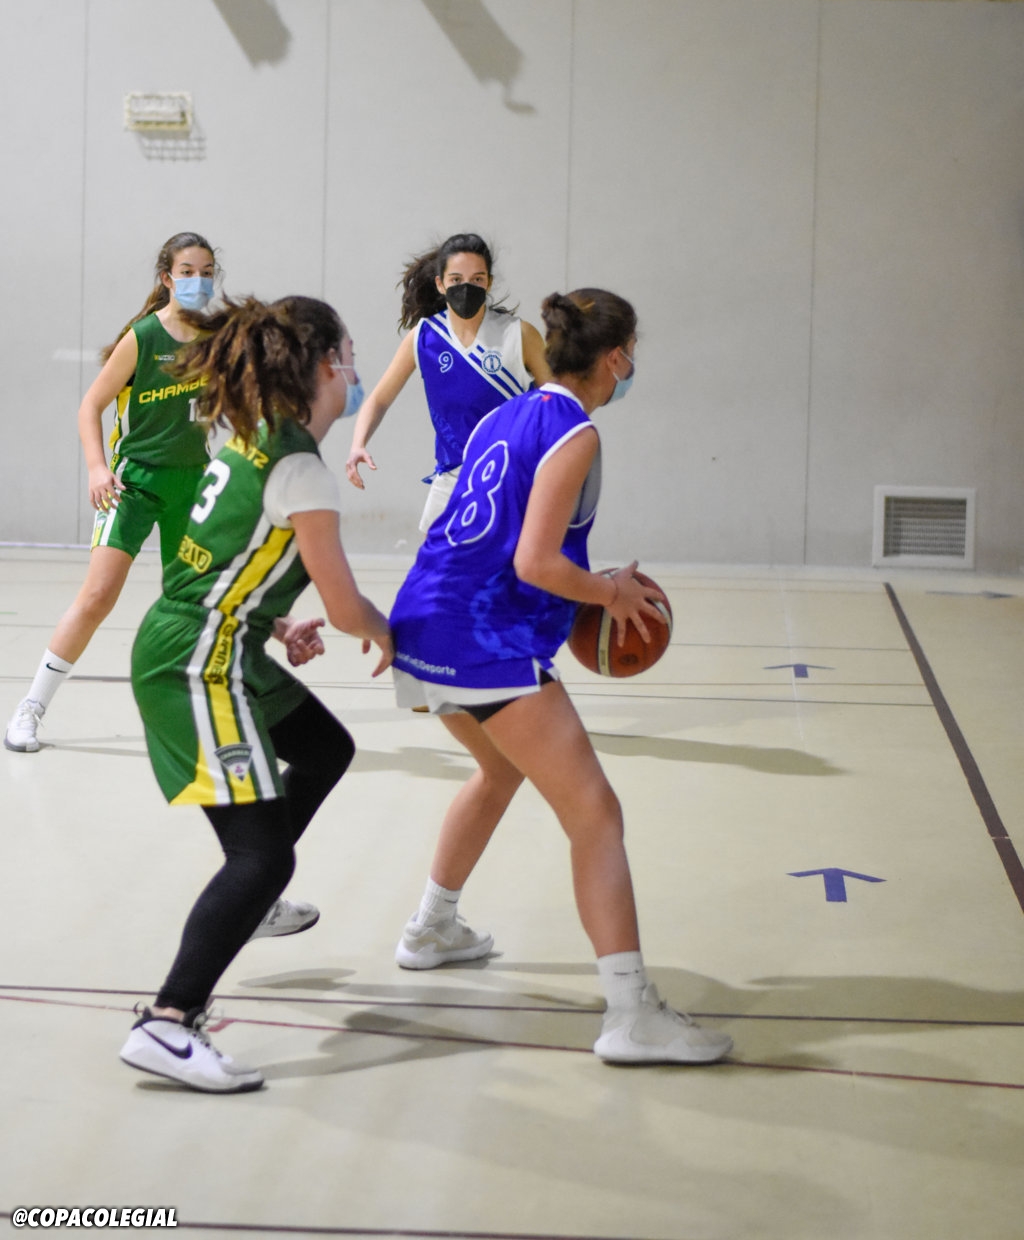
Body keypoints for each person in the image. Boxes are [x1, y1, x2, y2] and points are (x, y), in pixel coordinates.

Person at [388, 289, 733, 1066]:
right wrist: (608, 594)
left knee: (497, 773)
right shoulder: (575, 433)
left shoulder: (504, 416)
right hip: (479, 636)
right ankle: (631, 1014)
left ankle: (432, 928)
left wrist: (590, 585)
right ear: (615, 357)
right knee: (596, 814)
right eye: (631, 351)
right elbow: (535, 562)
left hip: (423, 618)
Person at [119, 295, 393, 1094]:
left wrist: (272, 622)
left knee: (323, 747)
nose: (356, 367)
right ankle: (168, 1022)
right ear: (325, 364)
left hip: (215, 638)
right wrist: (399, 636)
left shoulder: (253, 435)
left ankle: (252, 896)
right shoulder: (302, 468)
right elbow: (347, 608)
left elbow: (220, 557)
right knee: (264, 853)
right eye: (349, 352)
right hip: (197, 663)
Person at [5, 232, 222, 755]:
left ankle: (189, 715)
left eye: (206, 271)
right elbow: (90, 405)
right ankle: (30, 707)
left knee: (191, 606)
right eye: (187, 272)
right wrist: (97, 467)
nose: (198, 280)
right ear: (167, 278)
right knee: (98, 596)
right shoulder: (142, 336)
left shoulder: (217, 339)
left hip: (193, 483)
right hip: (134, 483)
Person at [345, 233, 551, 531]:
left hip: (512, 475)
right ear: (440, 284)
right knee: (432, 558)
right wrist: (358, 444)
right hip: (452, 476)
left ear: (489, 282)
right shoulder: (424, 337)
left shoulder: (520, 335)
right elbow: (379, 399)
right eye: (456, 279)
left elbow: (557, 404)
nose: (467, 287)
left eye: (477, 279)